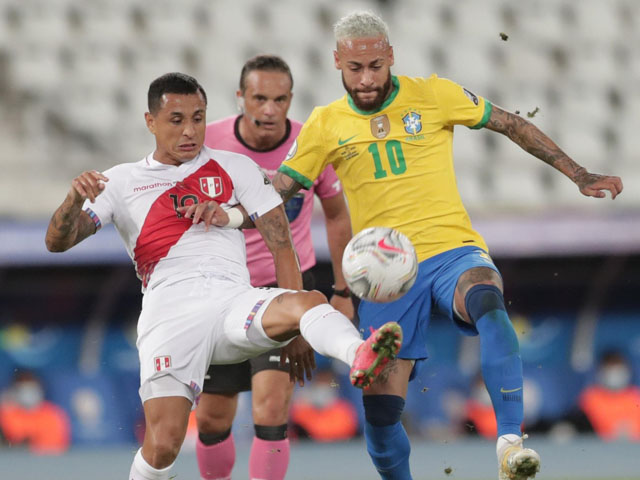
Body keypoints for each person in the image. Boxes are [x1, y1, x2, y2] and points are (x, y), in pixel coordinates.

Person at [269, 11, 623, 480]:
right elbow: (278, 191)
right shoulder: (325, 124)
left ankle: (510, 444)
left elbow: (511, 124)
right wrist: (229, 213)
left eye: (376, 65)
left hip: (450, 249)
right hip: (382, 274)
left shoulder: (434, 94)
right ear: (337, 62)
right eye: (356, 69)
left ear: (390, 55)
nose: (368, 77)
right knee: (380, 414)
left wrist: (579, 174)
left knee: (488, 299)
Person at [44, 72, 402, 480]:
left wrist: (297, 330)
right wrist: (73, 200)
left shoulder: (236, 168)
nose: (190, 130)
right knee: (163, 445)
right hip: (171, 315)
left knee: (309, 301)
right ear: (150, 121)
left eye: (198, 118)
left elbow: (282, 244)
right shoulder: (122, 181)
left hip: (235, 302)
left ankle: (359, 354)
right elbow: (58, 242)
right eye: (176, 120)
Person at [195, 55, 354, 480]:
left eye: (279, 99)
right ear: (241, 97)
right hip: (221, 291)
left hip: (285, 287)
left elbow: (337, 216)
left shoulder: (311, 143)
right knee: (211, 418)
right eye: (259, 98)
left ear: (291, 99)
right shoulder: (208, 143)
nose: (269, 109)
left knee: (270, 408)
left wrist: (341, 291)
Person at [0, 370, 71, 454]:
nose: (27, 392)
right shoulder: (6, 413)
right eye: (22, 387)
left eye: (31, 387)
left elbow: (57, 447)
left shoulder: (53, 414)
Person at [575, 350, 640, 441]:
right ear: (601, 372)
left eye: (619, 369)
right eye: (610, 369)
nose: (615, 374)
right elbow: (583, 426)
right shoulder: (590, 398)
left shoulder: (636, 396)